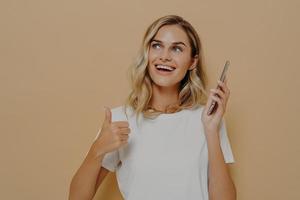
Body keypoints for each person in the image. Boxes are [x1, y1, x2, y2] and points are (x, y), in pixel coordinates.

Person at [69, 15, 236, 200]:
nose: (164, 56)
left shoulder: (208, 119)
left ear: (192, 62)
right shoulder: (120, 119)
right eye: (156, 46)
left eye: (177, 48)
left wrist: (211, 130)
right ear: (147, 53)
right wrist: (97, 150)